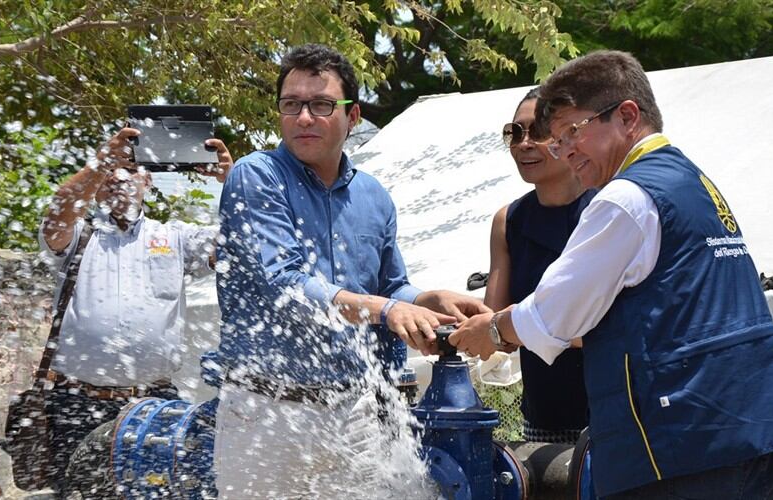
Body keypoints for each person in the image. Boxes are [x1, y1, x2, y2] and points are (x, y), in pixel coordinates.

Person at [451, 50, 773, 498]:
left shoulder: (626, 198)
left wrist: (493, 330)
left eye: (572, 132)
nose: (566, 151)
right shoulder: (691, 180)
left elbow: (558, 313)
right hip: (752, 426)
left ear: (627, 116)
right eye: (557, 141)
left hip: (686, 438)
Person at [213, 43, 489, 499]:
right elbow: (285, 283)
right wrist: (385, 308)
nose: (304, 117)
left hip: (357, 415)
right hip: (266, 411)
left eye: (321, 105)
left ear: (353, 115)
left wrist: (425, 300)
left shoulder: (374, 196)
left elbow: (389, 285)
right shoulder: (256, 175)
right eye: (291, 105)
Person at [37, 127, 233, 495]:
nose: (119, 180)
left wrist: (234, 181)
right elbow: (56, 214)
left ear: (148, 181)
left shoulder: (174, 237)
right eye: (109, 174)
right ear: (96, 185)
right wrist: (101, 161)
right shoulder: (80, 236)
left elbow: (239, 244)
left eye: (130, 172)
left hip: (154, 406)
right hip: (79, 405)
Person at [488, 87, 594, 444]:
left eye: (537, 131)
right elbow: (493, 329)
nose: (523, 144)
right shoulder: (508, 221)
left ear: (569, 136)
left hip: (612, 420)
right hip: (542, 423)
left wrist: (523, 326)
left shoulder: (608, 210)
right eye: (514, 132)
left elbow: (614, 325)